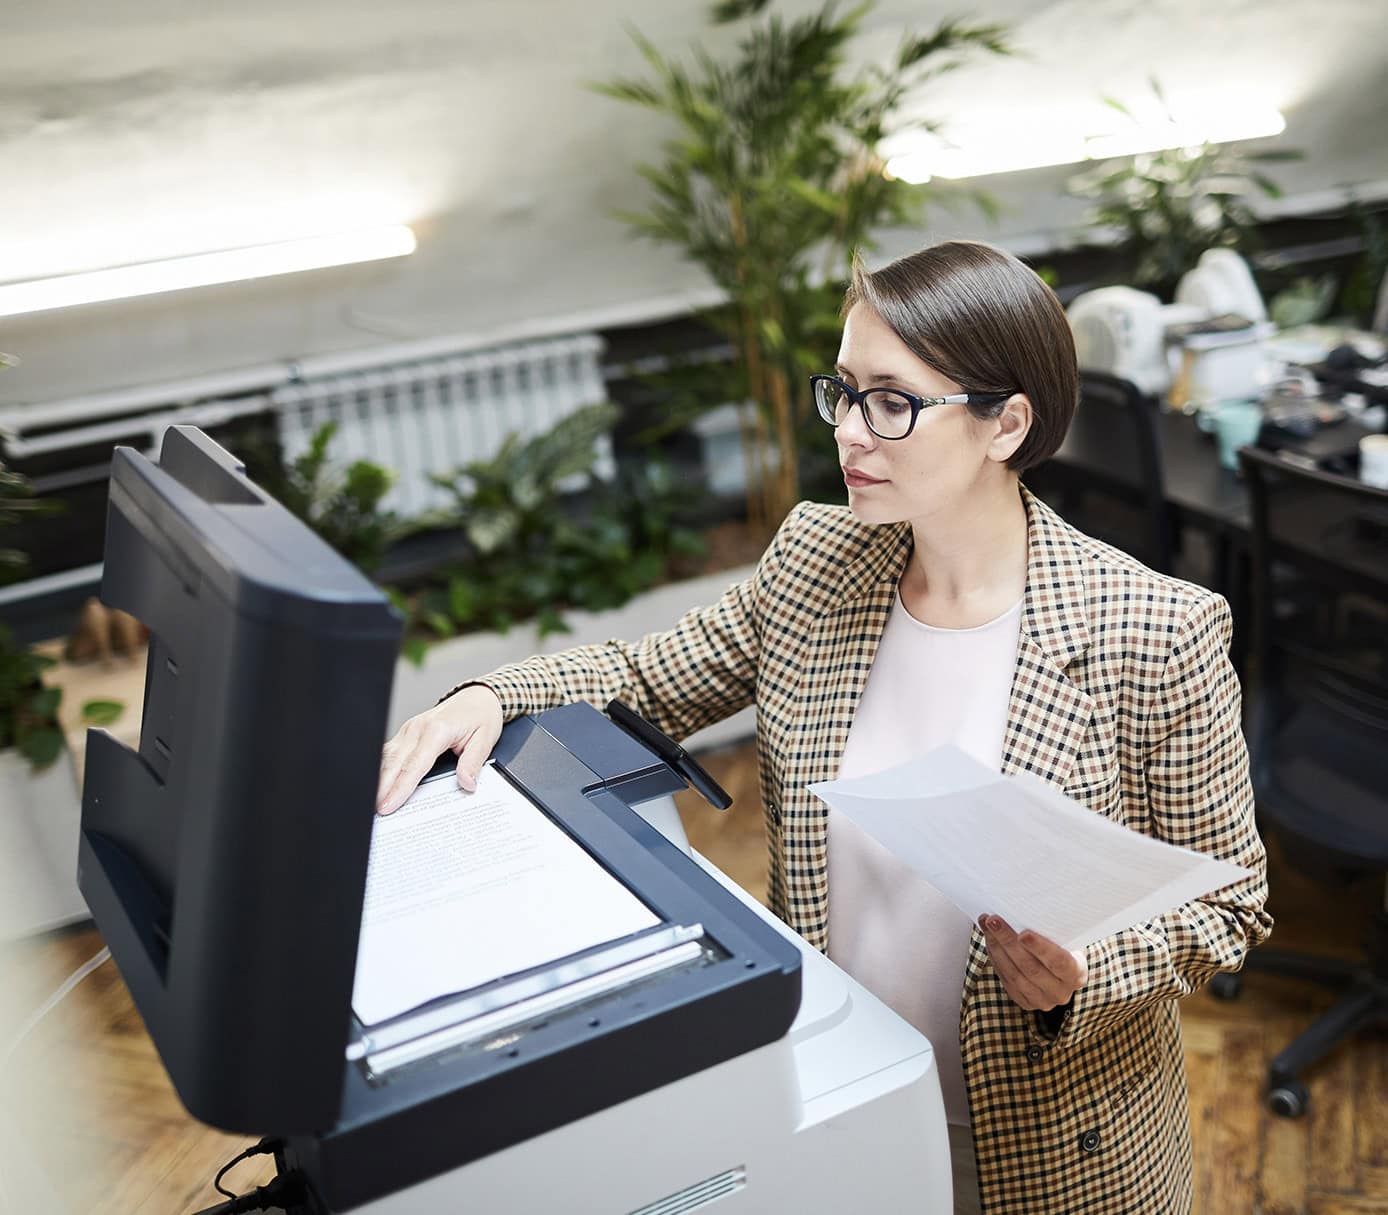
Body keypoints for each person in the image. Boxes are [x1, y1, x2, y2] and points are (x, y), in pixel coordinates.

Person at [376, 240, 1272, 1214]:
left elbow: (1227, 904)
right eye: (841, 391)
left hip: (1058, 1145)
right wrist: (491, 697)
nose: (849, 431)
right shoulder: (818, 558)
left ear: (1003, 424)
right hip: (842, 1102)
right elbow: (642, 676)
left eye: (890, 401)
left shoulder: (1150, 629)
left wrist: (1083, 971)